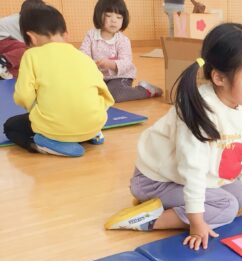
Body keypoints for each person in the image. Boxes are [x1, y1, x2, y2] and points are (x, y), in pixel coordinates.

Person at [105, 23, 242, 250]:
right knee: (227, 207)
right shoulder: (200, 111)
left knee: (241, 195)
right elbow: (192, 168)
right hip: (155, 181)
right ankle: (149, 219)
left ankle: (164, 205)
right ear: (219, 78)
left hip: (177, 176)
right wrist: (196, 221)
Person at [4, 4, 114, 157]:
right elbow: (106, 96)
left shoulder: (31, 55)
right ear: (66, 34)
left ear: (31, 38)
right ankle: (91, 134)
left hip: (57, 128)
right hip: (94, 124)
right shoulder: (84, 57)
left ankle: (44, 143)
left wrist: (36, 110)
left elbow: (23, 96)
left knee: (11, 126)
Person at [80, 0, 162, 102]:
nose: (114, 20)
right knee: (84, 91)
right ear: (99, 15)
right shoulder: (91, 35)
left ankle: (146, 90)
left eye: (119, 17)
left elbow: (126, 62)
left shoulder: (123, 40)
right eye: (108, 16)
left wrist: (111, 64)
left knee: (115, 94)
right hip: (98, 77)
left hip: (119, 77)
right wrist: (89, 63)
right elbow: (83, 54)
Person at [0, 0, 45, 79]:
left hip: (5, 44)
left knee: (22, 63)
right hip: (2, 42)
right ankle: (2, 61)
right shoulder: (25, 22)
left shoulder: (21, 19)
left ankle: (4, 70)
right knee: (27, 51)